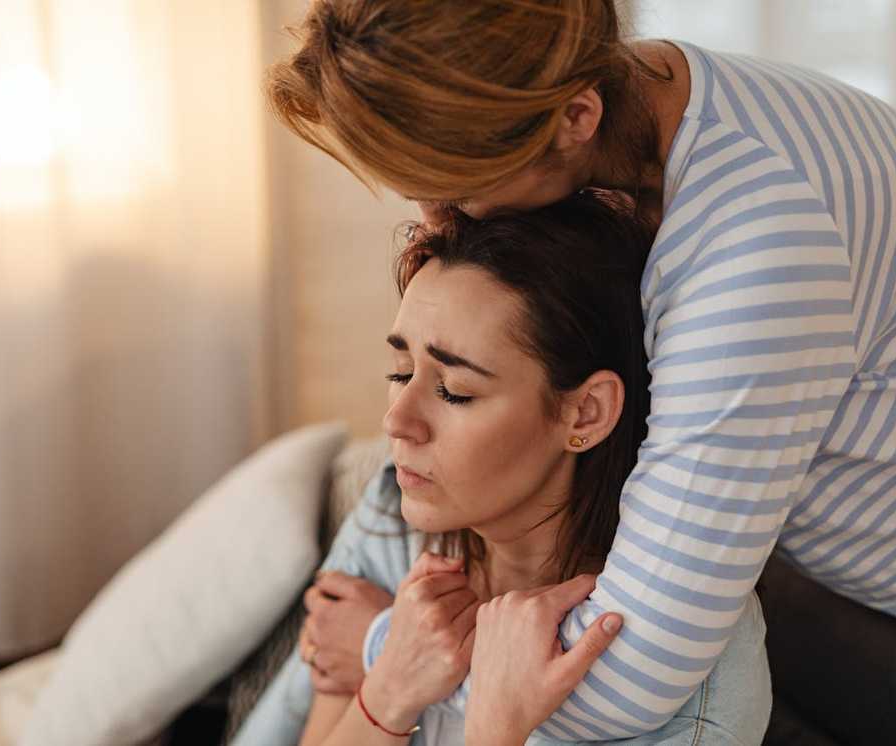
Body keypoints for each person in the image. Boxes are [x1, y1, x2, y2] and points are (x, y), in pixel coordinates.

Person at [267, 0, 896, 739]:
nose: (436, 220)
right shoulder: (611, 89)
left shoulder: (758, 249)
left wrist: (384, 652)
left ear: (575, 118)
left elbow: (631, 674)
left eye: (459, 187)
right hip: (801, 534)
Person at [232, 192, 770, 745]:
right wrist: (389, 685)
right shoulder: (396, 522)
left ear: (585, 412)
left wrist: (495, 724)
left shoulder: (683, 671)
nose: (397, 421)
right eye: (400, 372)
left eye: (454, 391)